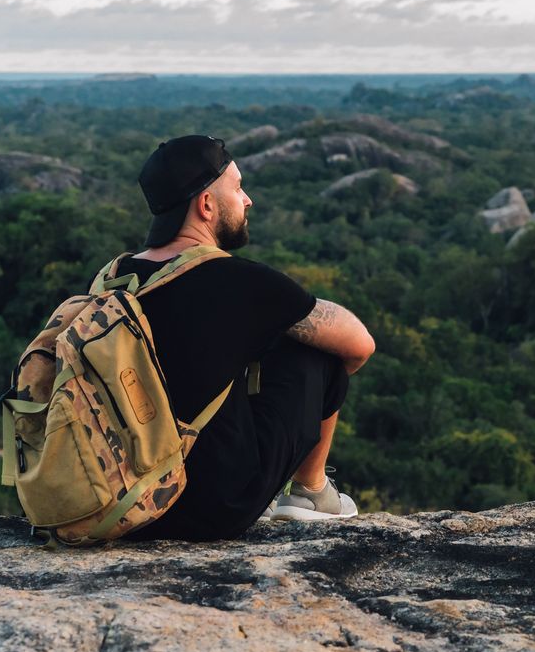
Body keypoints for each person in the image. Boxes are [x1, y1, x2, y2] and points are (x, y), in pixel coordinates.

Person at [117, 134, 374, 540]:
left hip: (126, 499)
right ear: (206, 205)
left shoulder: (114, 278)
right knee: (319, 351)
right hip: (211, 508)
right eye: (237, 188)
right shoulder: (239, 281)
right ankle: (310, 492)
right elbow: (359, 346)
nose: (248, 199)